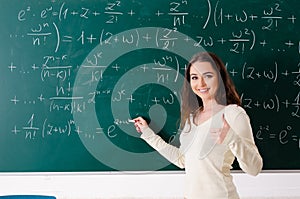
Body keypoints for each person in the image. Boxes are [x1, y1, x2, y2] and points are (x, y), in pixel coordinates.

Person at [132, 52, 263, 199]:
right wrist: (148, 134)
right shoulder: (192, 118)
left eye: (208, 76)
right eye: (194, 77)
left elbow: (254, 169)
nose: (201, 84)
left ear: (219, 78)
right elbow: (183, 160)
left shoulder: (233, 113)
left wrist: (232, 138)